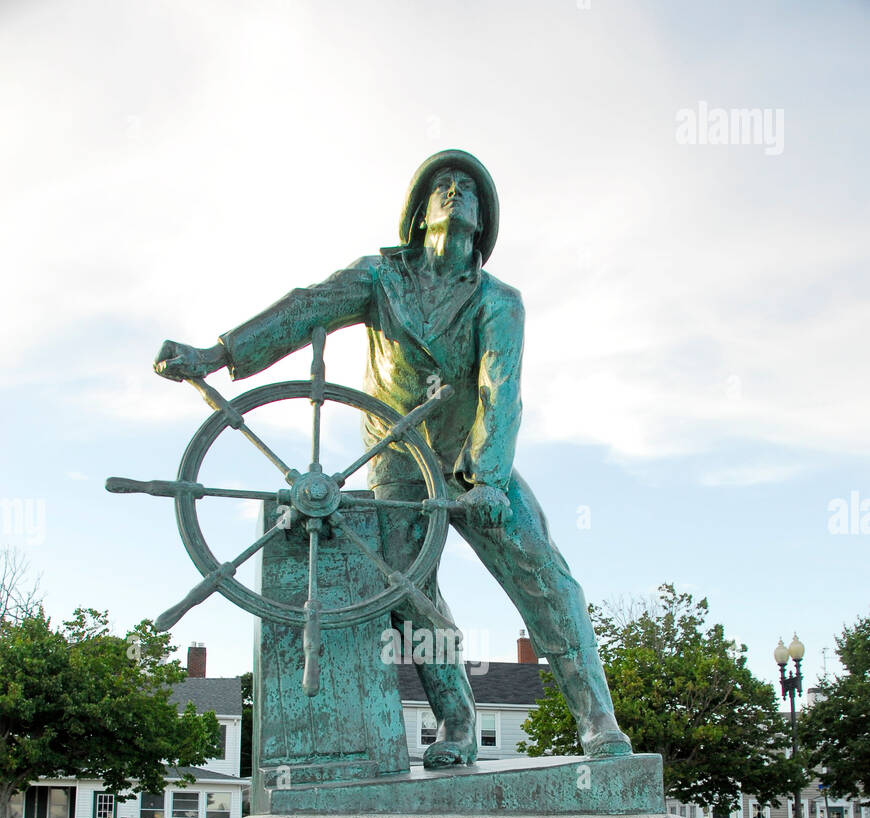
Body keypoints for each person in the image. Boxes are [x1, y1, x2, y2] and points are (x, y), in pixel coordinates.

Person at [155, 149, 631, 767]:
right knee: (412, 598)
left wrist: (487, 479)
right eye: (443, 185)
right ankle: (456, 726)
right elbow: (304, 309)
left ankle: (599, 723)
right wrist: (216, 356)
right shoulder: (380, 279)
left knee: (548, 582)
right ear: (419, 210)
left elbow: (499, 389)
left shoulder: (499, 301)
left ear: (484, 219)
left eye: (468, 187)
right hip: (400, 466)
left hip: (473, 463)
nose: (455, 192)